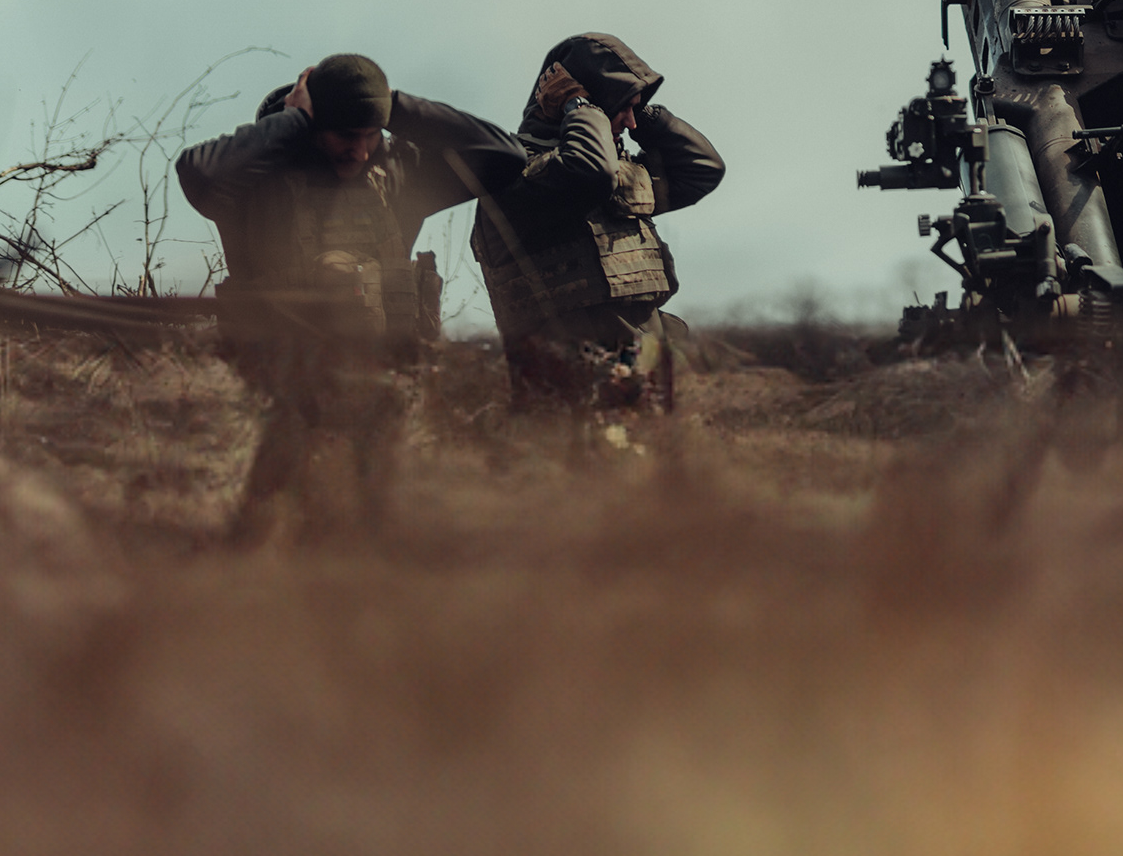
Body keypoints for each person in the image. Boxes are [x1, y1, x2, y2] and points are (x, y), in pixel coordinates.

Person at [174, 53, 519, 538]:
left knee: (385, 537)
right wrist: (293, 121)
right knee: (269, 534)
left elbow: (505, 158)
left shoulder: (397, 174)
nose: (358, 151)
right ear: (313, 123)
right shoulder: (255, 180)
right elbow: (198, 172)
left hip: (382, 392)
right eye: (344, 135)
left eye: (369, 134)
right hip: (275, 397)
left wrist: (391, 105)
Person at [469, 33, 723, 416]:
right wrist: (581, 106)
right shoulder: (516, 170)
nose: (630, 120)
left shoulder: (612, 168)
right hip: (571, 397)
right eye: (623, 107)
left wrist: (640, 113)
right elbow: (590, 173)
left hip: (639, 380)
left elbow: (703, 169)